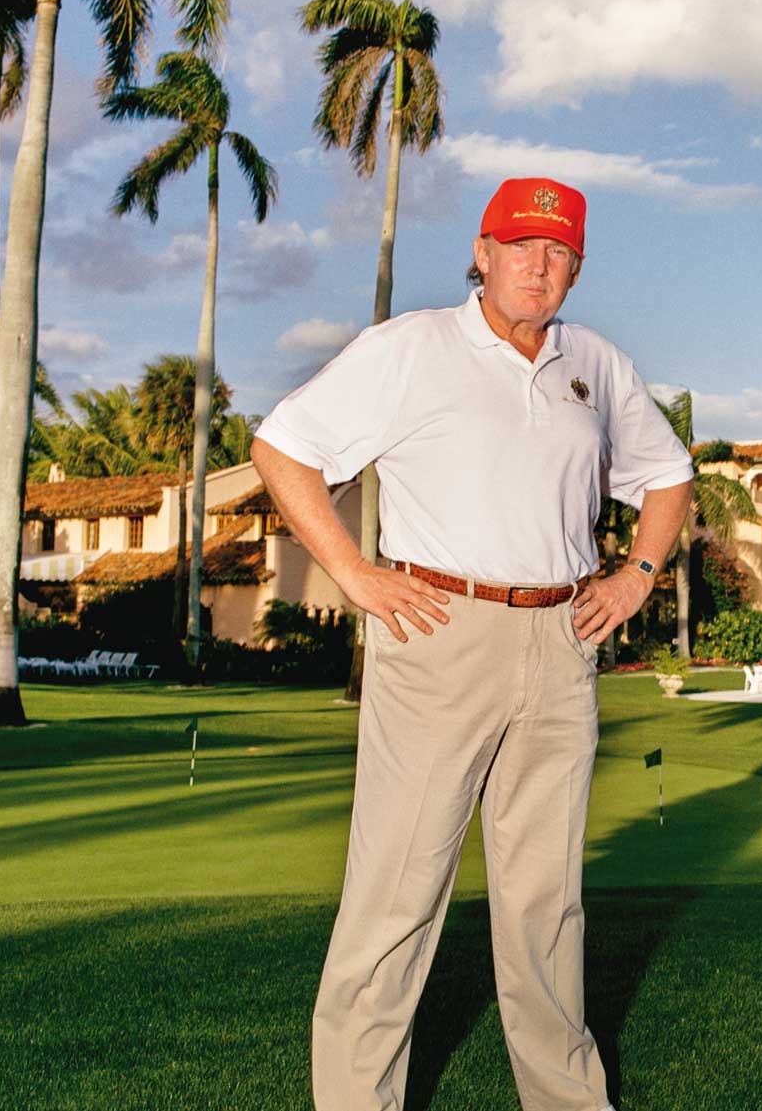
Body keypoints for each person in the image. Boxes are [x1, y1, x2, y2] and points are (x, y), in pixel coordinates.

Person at [250, 176, 695, 1111]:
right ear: (482, 254)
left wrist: (637, 576)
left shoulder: (595, 364)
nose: (540, 264)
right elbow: (282, 448)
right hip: (439, 633)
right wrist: (354, 573)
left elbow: (669, 475)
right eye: (521, 245)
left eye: (559, 250)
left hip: (561, 640)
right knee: (396, 896)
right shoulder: (412, 347)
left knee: (546, 903)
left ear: (576, 268)